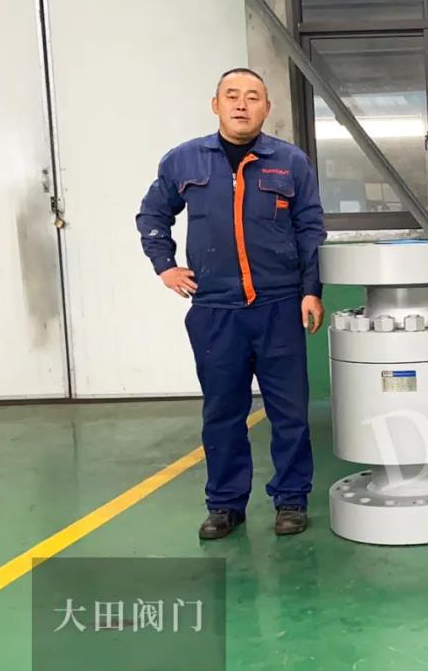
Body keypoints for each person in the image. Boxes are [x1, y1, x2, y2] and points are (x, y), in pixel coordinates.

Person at [136, 68, 327, 539]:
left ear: (267, 108)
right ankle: (225, 504)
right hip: (216, 311)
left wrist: (311, 290)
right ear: (216, 104)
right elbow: (153, 213)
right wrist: (165, 265)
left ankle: (291, 499)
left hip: (279, 306)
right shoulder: (184, 161)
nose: (242, 105)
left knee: (289, 412)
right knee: (222, 412)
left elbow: (310, 229)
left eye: (253, 97)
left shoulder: (290, 162)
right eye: (232, 96)